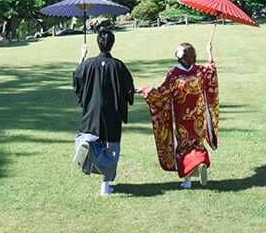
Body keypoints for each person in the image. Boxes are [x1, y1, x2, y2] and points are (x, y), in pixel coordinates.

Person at [140, 41, 219, 189]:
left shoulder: (175, 75)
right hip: (199, 116)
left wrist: (144, 91)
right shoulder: (200, 72)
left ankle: (187, 181)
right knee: (197, 143)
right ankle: (200, 163)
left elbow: (161, 93)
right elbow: (211, 70)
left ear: (180, 58)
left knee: (184, 146)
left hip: (183, 118)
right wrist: (209, 52)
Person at [72, 28, 135, 196]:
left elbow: (77, 77)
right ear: (112, 44)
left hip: (91, 112)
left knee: (88, 137)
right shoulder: (118, 65)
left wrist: (83, 56)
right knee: (111, 149)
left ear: (98, 44)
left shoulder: (88, 64)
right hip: (112, 113)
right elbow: (129, 89)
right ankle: (105, 186)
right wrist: (130, 94)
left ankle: (88, 145)